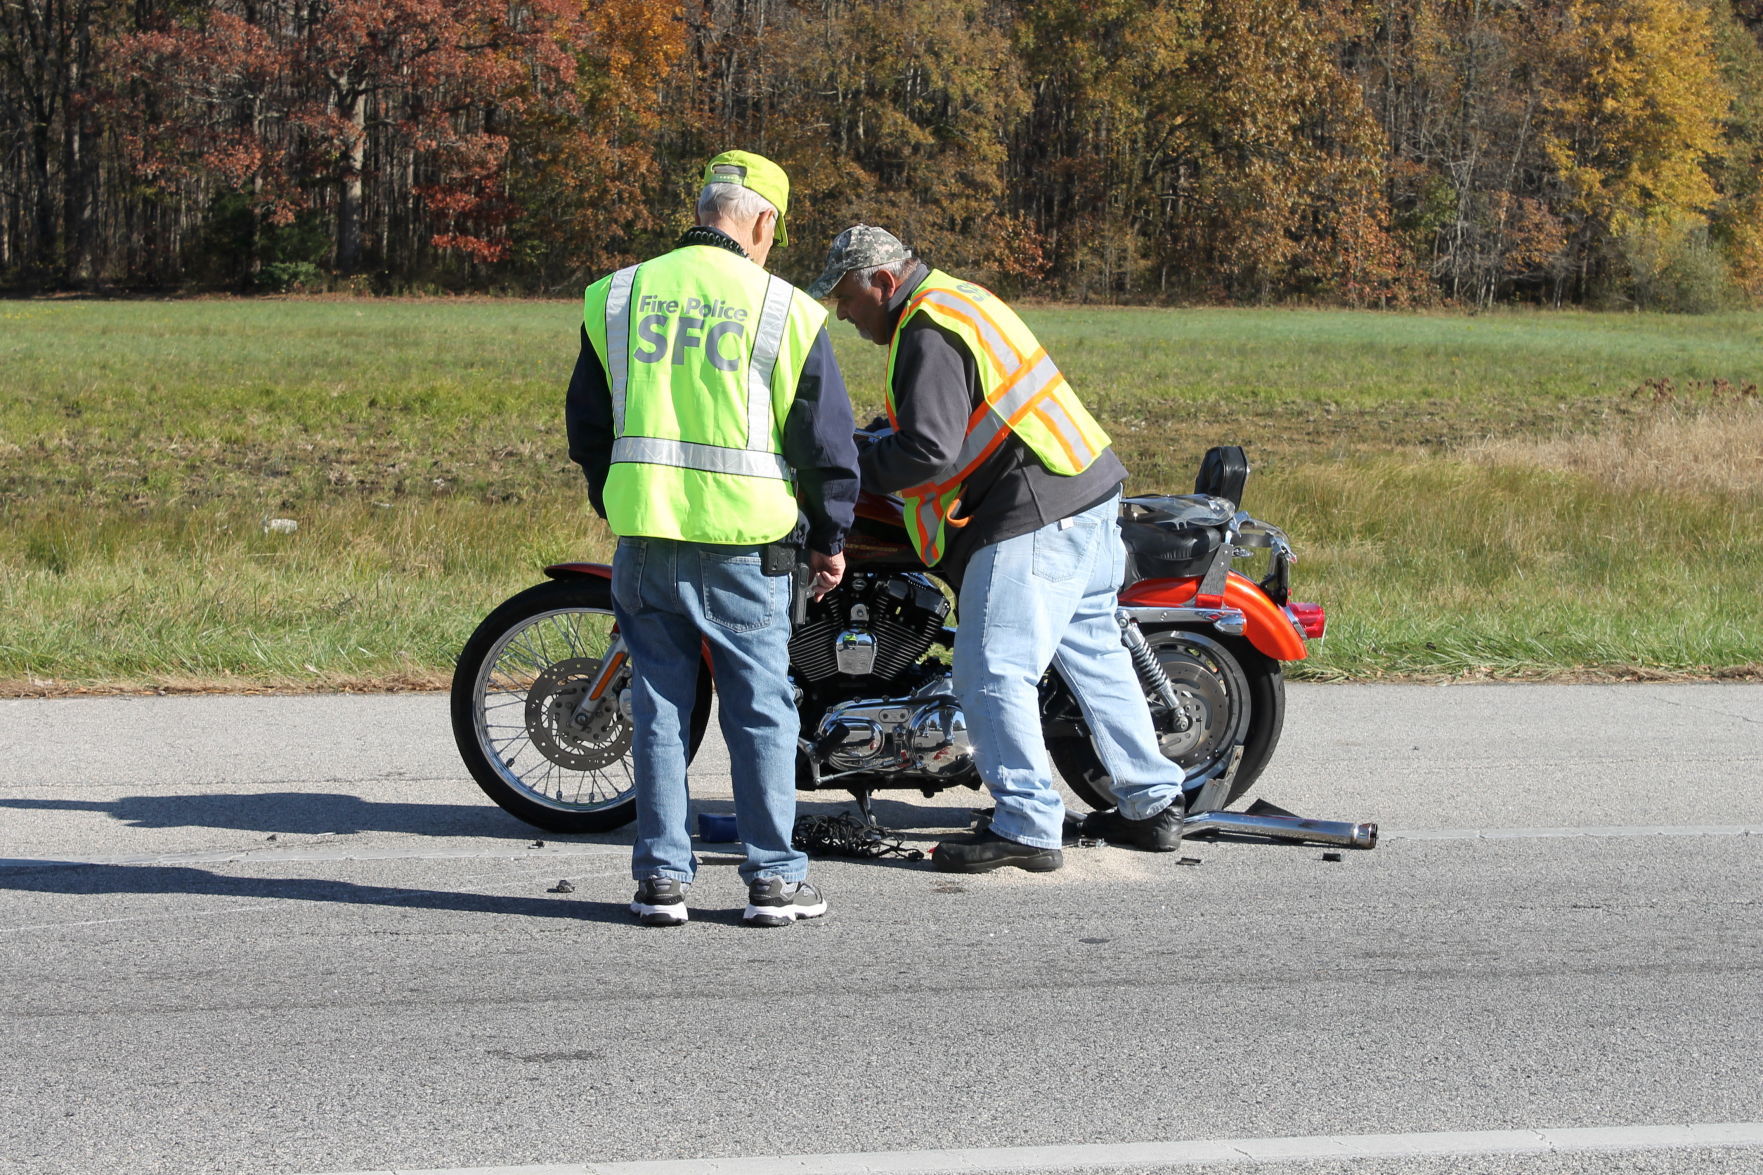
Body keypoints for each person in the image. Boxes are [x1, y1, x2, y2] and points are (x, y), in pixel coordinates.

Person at [807, 225, 1184, 873]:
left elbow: (927, 450)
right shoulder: (960, 299)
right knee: (1093, 653)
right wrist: (875, 439)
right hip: (1084, 489)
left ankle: (1026, 823)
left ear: (883, 282)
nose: (842, 312)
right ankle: (1150, 804)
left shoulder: (923, 328)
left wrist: (841, 464)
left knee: (989, 670)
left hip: (1033, 508)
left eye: (846, 296)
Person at [567, 152, 859, 926]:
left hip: (646, 537)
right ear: (761, 220)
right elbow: (826, 445)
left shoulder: (618, 295)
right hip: (745, 545)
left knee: (660, 708)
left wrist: (622, 495)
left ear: (704, 209)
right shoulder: (785, 310)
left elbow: (588, 426)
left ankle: (661, 878)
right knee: (760, 709)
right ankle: (772, 879)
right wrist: (829, 537)